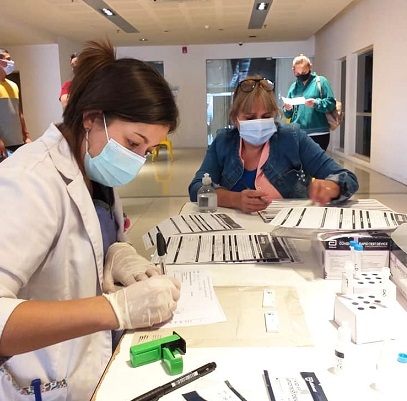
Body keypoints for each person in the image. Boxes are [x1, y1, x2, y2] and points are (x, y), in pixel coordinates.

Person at [0, 39, 181, 401]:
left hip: (95, 366)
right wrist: (115, 309)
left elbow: (88, 241)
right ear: (91, 118)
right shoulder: (28, 181)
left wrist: (118, 253)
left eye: (147, 150)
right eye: (133, 143)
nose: (138, 159)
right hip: (43, 382)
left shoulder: (92, 167)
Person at [189, 75, 358, 213]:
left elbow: (348, 178)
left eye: (266, 116)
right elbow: (197, 187)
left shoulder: (293, 138)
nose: (259, 123)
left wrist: (332, 187)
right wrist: (235, 200)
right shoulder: (223, 142)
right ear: (235, 119)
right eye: (250, 118)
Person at [282, 54, 336, 151]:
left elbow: (331, 104)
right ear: (293, 70)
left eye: (304, 72)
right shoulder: (293, 87)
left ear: (310, 67)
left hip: (319, 133)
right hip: (298, 132)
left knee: (316, 160)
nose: (301, 75)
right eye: (297, 73)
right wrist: (287, 109)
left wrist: (316, 103)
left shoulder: (321, 82)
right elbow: (288, 115)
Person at [0, 48, 31, 158]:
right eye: (8, 59)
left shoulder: (13, 85)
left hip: (18, 141)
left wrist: (26, 136)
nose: (11, 62)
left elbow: (19, 113)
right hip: (2, 145)